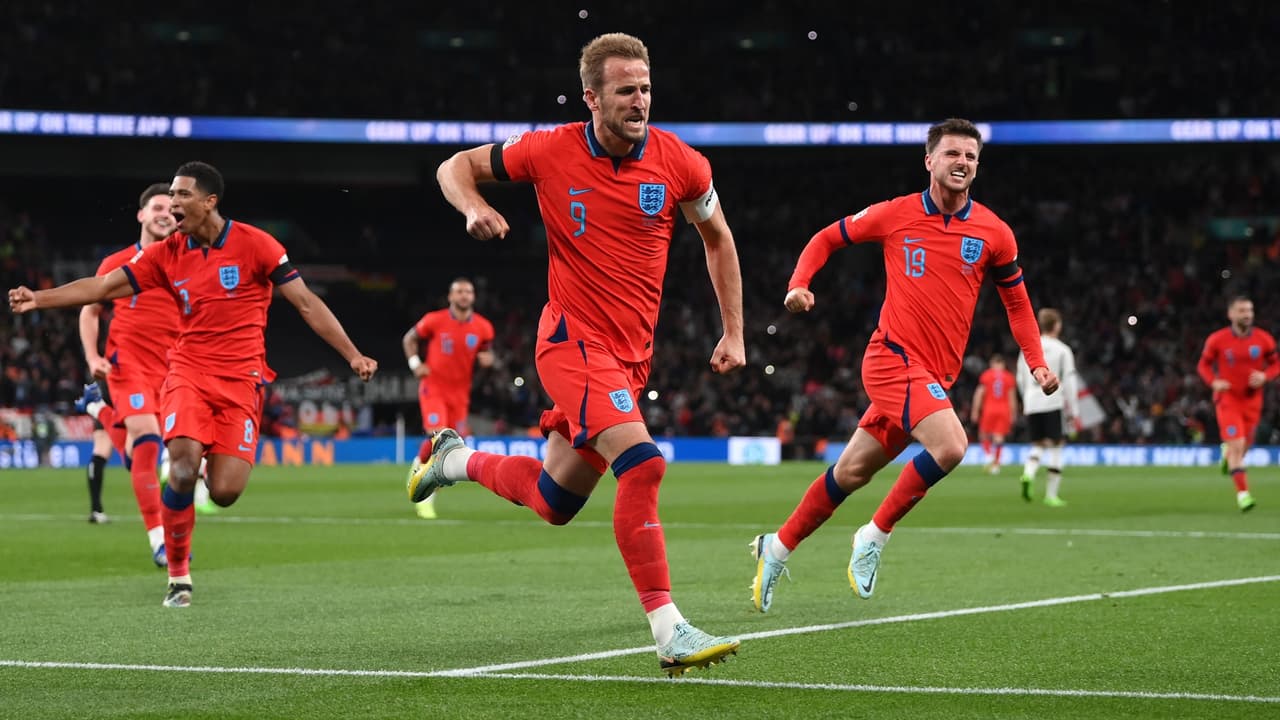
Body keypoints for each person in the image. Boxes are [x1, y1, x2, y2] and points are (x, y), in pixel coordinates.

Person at [416, 33, 746, 676]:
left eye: (645, 89)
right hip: (571, 342)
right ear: (591, 97)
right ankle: (669, 630)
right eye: (625, 91)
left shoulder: (681, 163)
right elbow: (453, 166)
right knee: (643, 465)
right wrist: (474, 205)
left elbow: (718, 239)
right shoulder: (549, 149)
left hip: (630, 359)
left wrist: (733, 332)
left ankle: (454, 460)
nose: (640, 101)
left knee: (554, 501)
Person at [8, 161, 378, 608]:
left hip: (242, 381)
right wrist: (40, 298)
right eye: (170, 195)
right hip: (187, 372)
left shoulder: (256, 245)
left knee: (225, 492)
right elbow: (103, 287)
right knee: (182, 468)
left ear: (209, 201)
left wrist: (352, 354)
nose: (173, 203)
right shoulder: (167, 253)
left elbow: (306, 304)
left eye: (182, 195)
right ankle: (178, 575)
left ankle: (128, 432)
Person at [748, 118, 1060, 614]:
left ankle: (777, 547)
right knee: (952, 445)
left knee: (850, 473)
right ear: (929, 160)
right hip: (891, 359)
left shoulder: (994, 232)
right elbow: (827, 237)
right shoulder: (895, 214)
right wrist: (799, 283)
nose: (962, 163)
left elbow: (1018, 304)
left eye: (971, 156)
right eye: (952, 153)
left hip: (933, 377)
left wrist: (1037, 363)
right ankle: (873, 536)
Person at [74, 183, 176, 561]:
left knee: (143, 456)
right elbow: (90, 309)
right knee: (148, 443)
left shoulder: (187, 263)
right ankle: (160, 541)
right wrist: (92, 356)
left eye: (172, 210)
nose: (165, 214)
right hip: (128, 364)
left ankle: (99, 411)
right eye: (158, 207)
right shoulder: (118, 263)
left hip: (175, 369)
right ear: (142, 214)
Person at [403, 277, 494, 519]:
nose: (464, 295)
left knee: (449, 446)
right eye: (459, 291)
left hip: (460, 395)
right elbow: (409, 339)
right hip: (434, 388)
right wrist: (415, 364)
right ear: (451, 296)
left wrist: (489, 360)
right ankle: (426, 500)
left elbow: (486, 353)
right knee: (439, 436)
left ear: (473, 297)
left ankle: (418, 466)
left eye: (468, 292)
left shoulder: (484, 328)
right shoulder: (435, 320)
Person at [1197, 295, 1277, 512]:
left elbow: (1276, 363)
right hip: (1228, 399)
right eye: (1242, 311)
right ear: (1230, 314)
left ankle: (1228, 455)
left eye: (1249, 310)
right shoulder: (1217, 340)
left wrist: (1265, 376)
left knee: (1242, 449)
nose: (1247, 315)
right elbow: (1203, 365)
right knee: (1238, 445)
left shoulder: (1264, 339)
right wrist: (1214, 382)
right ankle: (1243, 495)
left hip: (1253, 401)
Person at [1016, 308, 1079, 506]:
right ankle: (1051, 495)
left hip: (1032, 401)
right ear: (1057, 325)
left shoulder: (1027, 349)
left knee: (1038, 444)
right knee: (1056, 446)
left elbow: (1020, 377)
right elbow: (1069, 381)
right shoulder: (1062, 350)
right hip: (1053, 401)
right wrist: (1073, 411)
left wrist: (1027, 398)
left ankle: (1028, 473)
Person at [970, 354, 1017, 475]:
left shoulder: (987, 375)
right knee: (999, 436)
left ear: (992, 364)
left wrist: (975, 411)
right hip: (1004, 410)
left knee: (983, 434)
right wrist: (1013, 414)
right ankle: (996, 466)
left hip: (989, 409)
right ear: (1003, 365)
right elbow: (1012, 398)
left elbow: (979, 394)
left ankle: (988, 455)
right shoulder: (1009, 377)